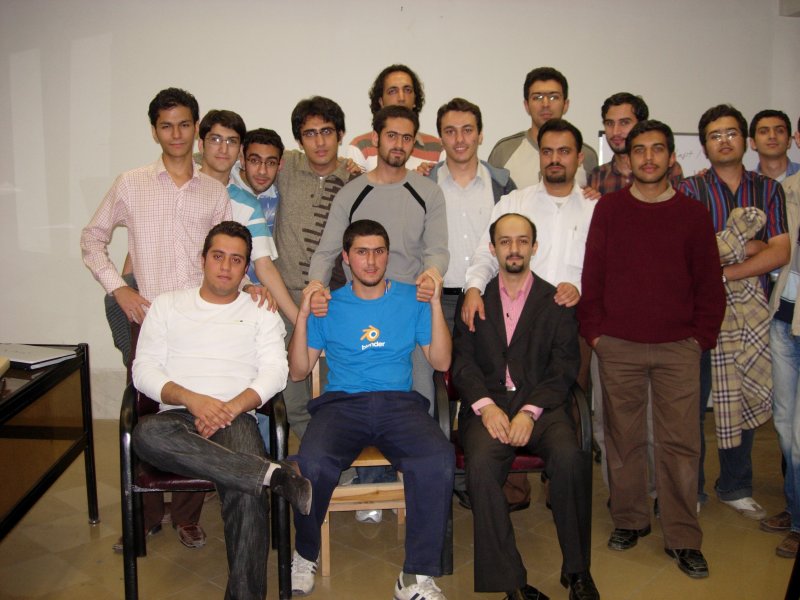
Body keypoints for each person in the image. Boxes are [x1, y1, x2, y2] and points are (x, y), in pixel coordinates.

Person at [81, 87, 233, 551]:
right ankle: (144, 515)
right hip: (147, 321)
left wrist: (246, 292)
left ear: (196, 128)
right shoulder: (131, 183)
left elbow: (227, 254)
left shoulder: (214, 191)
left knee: (194, 413)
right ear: (154, 131)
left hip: (200, 323)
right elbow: (92, 239)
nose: (176, 134)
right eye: (166, 126)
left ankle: (187, 516)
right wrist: (119, 287)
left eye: (184, 124)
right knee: (141, 414)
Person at [131, 220, 312, 600]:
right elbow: (143, 371)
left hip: (236, 416)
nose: (226, 266)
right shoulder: (167, 305)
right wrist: (192, 399)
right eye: (218, 256)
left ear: (246, 268)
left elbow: (275, 373)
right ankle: (270, 474)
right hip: (177, 417)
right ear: (202, 259)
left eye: (236, 260)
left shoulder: (261, 309)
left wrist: (231, 406)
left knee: (246, 492)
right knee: (146, 433)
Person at [579, 120, 725, 579]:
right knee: (622, 439)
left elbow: (710, 285)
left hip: (678, 349)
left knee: (680, 444)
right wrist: (597, 335)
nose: (648, 158)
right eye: (639, 150)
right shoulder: (609, 210)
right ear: (628, 159)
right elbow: (592, 276)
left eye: (657, 149)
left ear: (671, 158)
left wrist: (700, 339)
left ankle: (683, 536)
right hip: (618, 346)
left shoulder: (692, 215)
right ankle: (630, 519)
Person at [288, 219, 455, 599]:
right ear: (346, 258)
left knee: (437, 457)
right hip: (342, 406)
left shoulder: (411, 298)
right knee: (313, 462)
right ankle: (305, 553)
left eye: (379, 251)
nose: (371, 260)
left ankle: (414, 576)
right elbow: (298, 371)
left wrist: (434, 304)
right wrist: (302, 315)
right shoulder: (328, 305)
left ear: (387, 255)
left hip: (399, 404)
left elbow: (442, 362)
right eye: (362, 252)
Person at [453, 212, 598, 600]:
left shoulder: (556, 301)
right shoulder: (473, 301)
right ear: (493, 248)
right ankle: (510, 581)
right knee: (481, 465)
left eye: (521, 241)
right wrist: (486, 407)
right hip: (489, 407)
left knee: (569, 456)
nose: (513, 249)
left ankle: (578, 570)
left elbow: (564, 367)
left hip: (542, 407)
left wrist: (530, 411)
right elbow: (462, 364)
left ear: (534, 247)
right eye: (505, 241)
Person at [678, 104, 790, 519]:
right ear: (705, 145)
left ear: (745, 140)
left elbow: (780, 250)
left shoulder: (768, 189)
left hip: (752, 314)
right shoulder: (689, 190)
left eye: (731, 133)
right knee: (690, 406)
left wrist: (725, 270)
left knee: (742, 398)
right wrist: (748, 246)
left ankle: (735, 485)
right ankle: (690, 490)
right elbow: (688, 253)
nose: (724, 141)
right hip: (698, 315)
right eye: (715, 135)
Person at [272, 96, 359, 441]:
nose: (319, 141)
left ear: (340, 134)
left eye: (327, 131)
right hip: (284, 300)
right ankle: (316, 457)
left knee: (333, 392)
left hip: (333, 301)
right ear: (298, 139)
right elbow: (230, 158)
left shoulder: (355, 180)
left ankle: (336, 457)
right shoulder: (285, 167)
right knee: (292, 396)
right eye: (310, 133)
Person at [198, 114, 297, 322]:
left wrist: (301, 322)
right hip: (174, 299)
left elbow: (264, 265)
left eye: (231, 142)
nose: (223, 149)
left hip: (232, 302)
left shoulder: (248, 204)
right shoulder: (178, 186)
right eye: (216, 140)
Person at [762, 124, 800, 558]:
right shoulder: (783, 190)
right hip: (784, 315)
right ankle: (794, 507)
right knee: (786, 423)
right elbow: (775, 247)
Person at [487, 67, 598, 189]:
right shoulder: (504, 152)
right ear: (527, 105)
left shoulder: (586, 155)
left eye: (553, 97)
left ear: (565, 104)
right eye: (537, 97)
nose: (545, 104)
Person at [347, 64, 444, 171]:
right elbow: (359, 182)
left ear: (415, 100)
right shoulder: (360, 147)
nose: (401, 98)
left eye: (407, 90)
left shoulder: (437, 148)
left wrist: (424, 178)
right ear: (381, 101)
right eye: (392, 91)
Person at [588, 92, 683, 195]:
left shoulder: (667, 169)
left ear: (641, 125)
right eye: (609, 123)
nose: (615, 132)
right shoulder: (598, 175)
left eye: (624, 122)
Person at [749, 109, 800, 182]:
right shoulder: (745, 183)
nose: (772, 136)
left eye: (779, 131)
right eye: (763, 132)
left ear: (789, 141)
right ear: (753, 143)